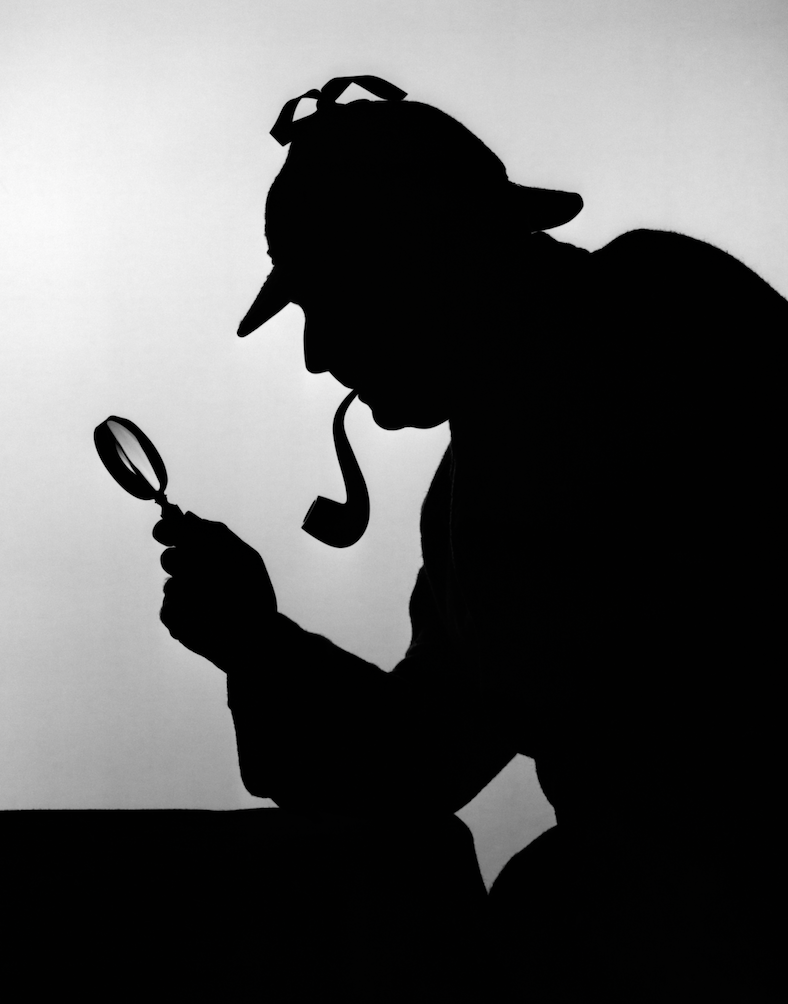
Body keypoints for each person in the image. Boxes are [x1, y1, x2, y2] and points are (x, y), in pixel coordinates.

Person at [153, 77, 785, 998]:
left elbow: (424, 755)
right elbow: (422, 755)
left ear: (421, 262)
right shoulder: (469, 501)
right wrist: (255, 642)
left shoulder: (666, 316)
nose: (318, 353)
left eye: (331, 299)